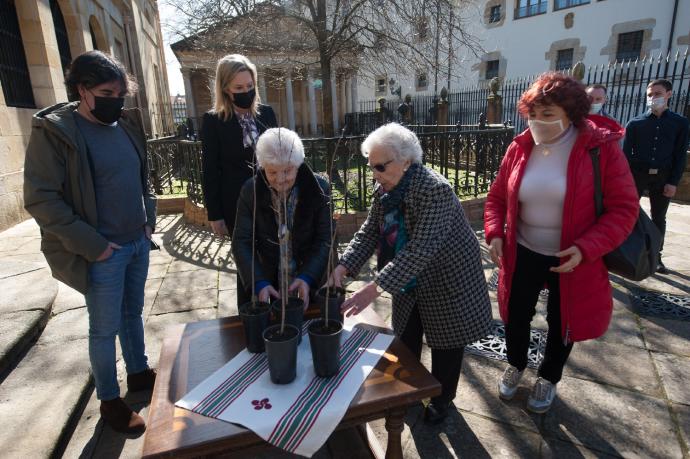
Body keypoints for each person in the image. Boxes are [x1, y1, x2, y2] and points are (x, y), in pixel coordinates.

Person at [484, 72, 639, 413]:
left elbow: (624, 209)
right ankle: (516, 364)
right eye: (533, 114)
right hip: (523, 249)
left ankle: (549, 377)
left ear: (572, 114)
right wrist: (495, 232)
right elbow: (496, 198)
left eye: (548, 114)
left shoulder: (601, 149)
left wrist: (586, 248)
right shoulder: (520, 146)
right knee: (515, 314)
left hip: (572, 256)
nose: (538, 122)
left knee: (562, 319)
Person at [23, 51, 157, 434]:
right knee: (104, 327)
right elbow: (42, 199)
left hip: (136, 242)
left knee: (132, 314)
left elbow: (143, 178)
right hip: (103, 252)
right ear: (82, 90)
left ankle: (138, 372)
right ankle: (110, 400)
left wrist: (149, 222)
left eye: (121, 92)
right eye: (106, 91)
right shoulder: (57, 133)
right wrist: (94, 246)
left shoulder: (127, 125)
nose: (116, 98)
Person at [327, 123, 492, 424]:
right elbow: (368, 233)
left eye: (380, 166)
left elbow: (420, 250)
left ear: (405, 161)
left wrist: (372, 289)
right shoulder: (386, 189)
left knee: (446, 345)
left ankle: (442, 400)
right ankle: (408, 393)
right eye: (371, 166)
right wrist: (344, 265)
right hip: (409, 280)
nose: (374, 174)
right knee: (406, 339)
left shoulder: (435, 190)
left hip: (447, 279)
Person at [232, 128, 333, 308]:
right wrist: (258, 282)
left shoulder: (319, 189)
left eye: (287, 171)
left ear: (298, 165)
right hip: (269, 275)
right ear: (263, 168)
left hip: (312, 275)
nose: (280, 179)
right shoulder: (251, 191)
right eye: (272, 172)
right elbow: (241, 241)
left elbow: (325, 239)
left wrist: (308, 276)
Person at [202, 54, 277, 239]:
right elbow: (210, 170)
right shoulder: (213, 121)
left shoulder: (266, 113)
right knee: (247, 264)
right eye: (239, 87)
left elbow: (278, 155)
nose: (246, 91)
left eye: (250, 86)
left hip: (271, 201)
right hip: (236, 205)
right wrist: (215, 214)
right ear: (226, 88)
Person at [623, 78, 689, 273]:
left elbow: (680, 155)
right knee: (627, 213)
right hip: (637, 175)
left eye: (657, 94)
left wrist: (673, 182)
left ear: (669, 94)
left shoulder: (680, 123)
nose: (653, 98)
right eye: (650, 95)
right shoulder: (635, 123)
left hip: (663, 177)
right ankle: (626, 249)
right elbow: (626, 156)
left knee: (658, 216)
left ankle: (656, 256)